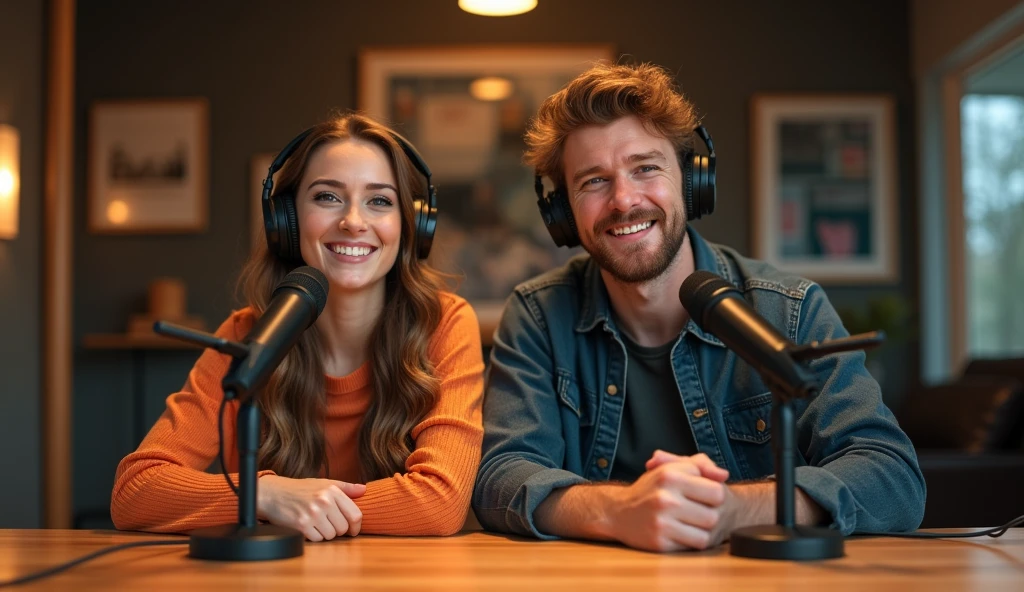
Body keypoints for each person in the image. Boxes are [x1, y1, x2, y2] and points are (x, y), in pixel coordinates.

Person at [472, 63, 925, 552]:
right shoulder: (539, 315)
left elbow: (891, 475)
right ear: (561, 214)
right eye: (593, 182)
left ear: (691, 182)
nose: (624, 200)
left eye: (645, 168)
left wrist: (733, 509)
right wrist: (620, 511)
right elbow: (501, 476)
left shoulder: (789, 311)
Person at [112, 112, 485, 541]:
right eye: (327, 197)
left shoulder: (445, 324)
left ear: (411, 226)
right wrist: (264, 494)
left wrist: (305, 504)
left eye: (380, 201)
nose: (353, 221)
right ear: (285, 222)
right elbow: (135, 490)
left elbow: (439, 503)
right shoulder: (245, 335)